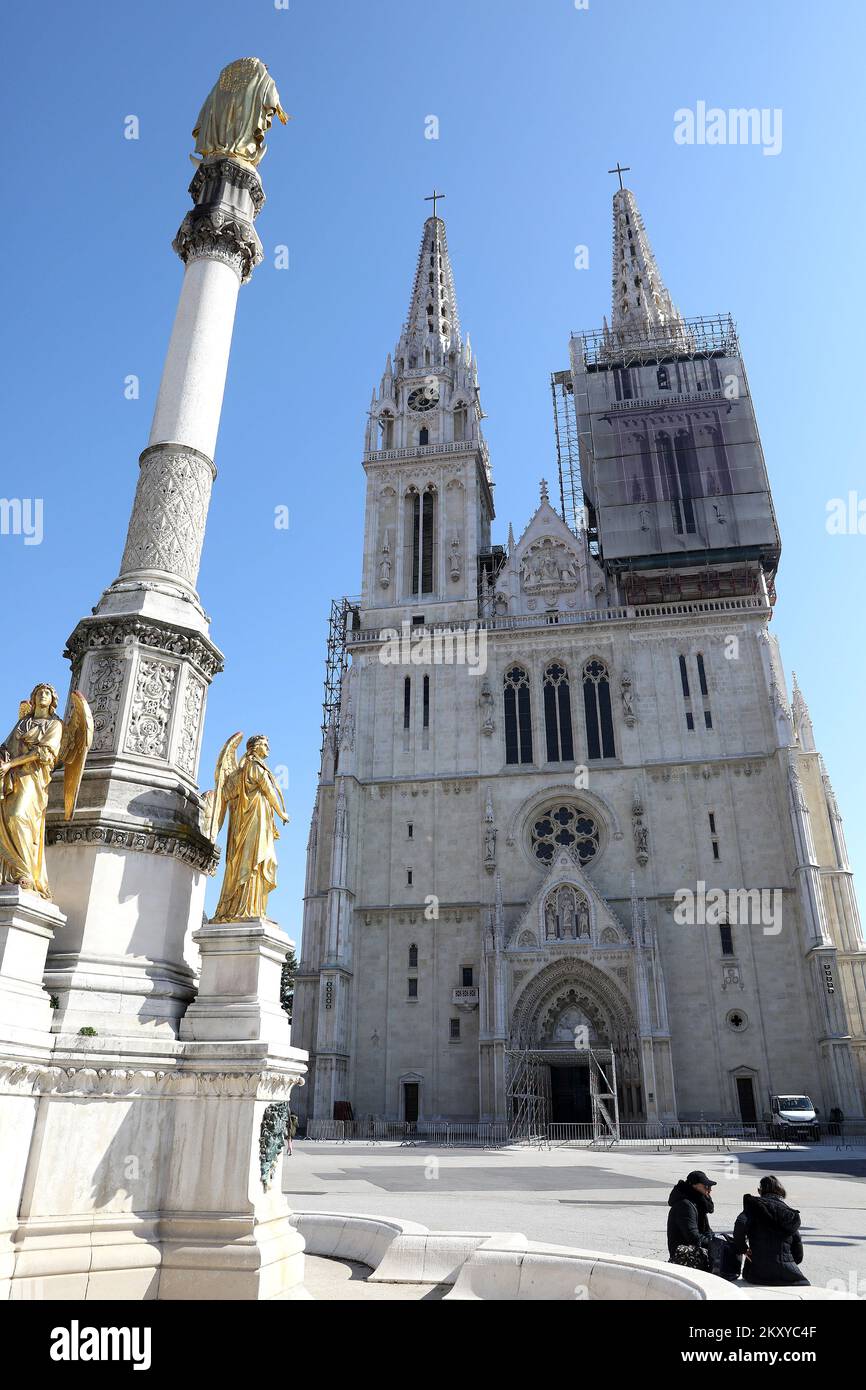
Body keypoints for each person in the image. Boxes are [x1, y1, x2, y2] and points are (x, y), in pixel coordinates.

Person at [733, 1176, 809, 1286]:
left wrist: (743, 1249)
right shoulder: (789, 1214)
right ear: (781, 1192)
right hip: (788, 1274)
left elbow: (740, 1224)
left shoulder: (754, 1206)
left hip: (756, 1273)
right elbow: (798, 1254)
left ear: (760, 1191)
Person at [667, 1170, 716, 1268]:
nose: (709, 1190)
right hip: (684, 1255)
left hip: (693, 1250)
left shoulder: (697, 1202)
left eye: (710, 1187)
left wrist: (716, 1240)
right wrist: (714, 1244)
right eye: (706, 1186)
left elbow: (707, 1231)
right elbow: (693, 1237)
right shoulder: (685, 1205)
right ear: (694, 1186)